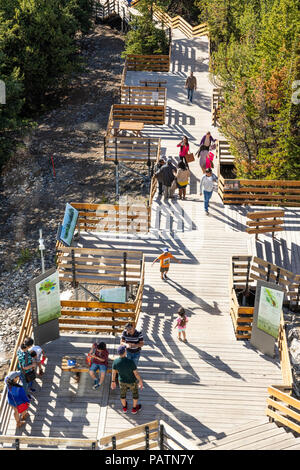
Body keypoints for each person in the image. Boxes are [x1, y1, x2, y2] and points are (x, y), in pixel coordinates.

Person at [111, 345, 143, 415]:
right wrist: (140, 381)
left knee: (122, 395)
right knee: (135, 395)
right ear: (125, 352)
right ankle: (134, 409)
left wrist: (113, 381)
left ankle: (124, 407)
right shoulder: (131, 362)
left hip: (122, 381)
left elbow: (113, 373)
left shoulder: (115, 362)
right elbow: (136, 374)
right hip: (132, 382)